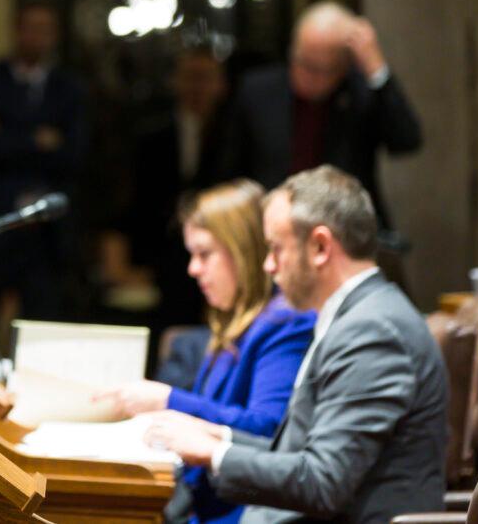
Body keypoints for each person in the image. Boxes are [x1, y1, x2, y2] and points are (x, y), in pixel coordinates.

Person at [144, 165, 448, 523]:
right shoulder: (355, 317)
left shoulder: (372, 330)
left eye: (275, 248)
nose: (268, 266)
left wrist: (215, 454)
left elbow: (323, 481)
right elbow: (306, 454)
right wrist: (220, 435)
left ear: (320, 246)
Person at [96, 180, 315, 524]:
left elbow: (266, 429)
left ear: (242, 251)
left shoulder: (286, 323)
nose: (193, 269)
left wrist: (168, 400)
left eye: (204, 254)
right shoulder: (231, 322)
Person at [0, 0, 87, 337]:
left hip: (45, 232)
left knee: (44, 326)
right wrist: (39, 139)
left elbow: (72, 155)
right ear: (16, 31)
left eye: (45, 30)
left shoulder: (69, 88)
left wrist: (6, 134)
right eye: (31, 29)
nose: (37, 37)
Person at [220, 2, 421, 226]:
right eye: (300, 61)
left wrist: (376, 69)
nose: (304, 75)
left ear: (344, 66)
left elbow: (406, 140)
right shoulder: (257, 90)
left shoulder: (359, 93)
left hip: (344, 230)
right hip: (271, 226)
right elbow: (230, 169)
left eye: (318, 69)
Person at [128, 44, 231, 339]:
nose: (197, 87)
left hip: (221, 250)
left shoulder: (232, 134)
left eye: (205, 78)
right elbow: (139, 203)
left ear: (220, 84)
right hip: (165, 258)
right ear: (175, 81)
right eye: (190, 77)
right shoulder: (150, 135)